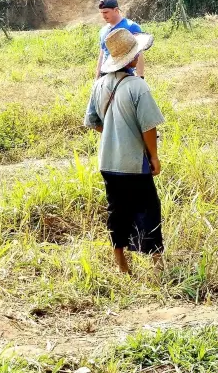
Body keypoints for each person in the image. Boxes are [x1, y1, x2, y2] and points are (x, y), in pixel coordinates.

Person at [84, 27, 164, 274]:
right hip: (134, 163)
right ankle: (157, 265)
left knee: (117, 212)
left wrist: (114, 133)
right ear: (132, 58)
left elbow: (93, 122)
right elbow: (148, 127)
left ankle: (121, 265)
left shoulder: (99, 86)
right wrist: (153, 156)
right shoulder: (138, 87)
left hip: (108, 163)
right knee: (149, 210)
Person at [96, 0, 145, 78]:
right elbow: (102, 54)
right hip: (105, 76)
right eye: (101, 13)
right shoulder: (103, 31)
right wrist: (97, 78)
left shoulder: (131, 27)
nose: (103, 16)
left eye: (106, 12)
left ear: (116, 10)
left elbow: (138, 54)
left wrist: (140, 77)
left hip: (125, 76)